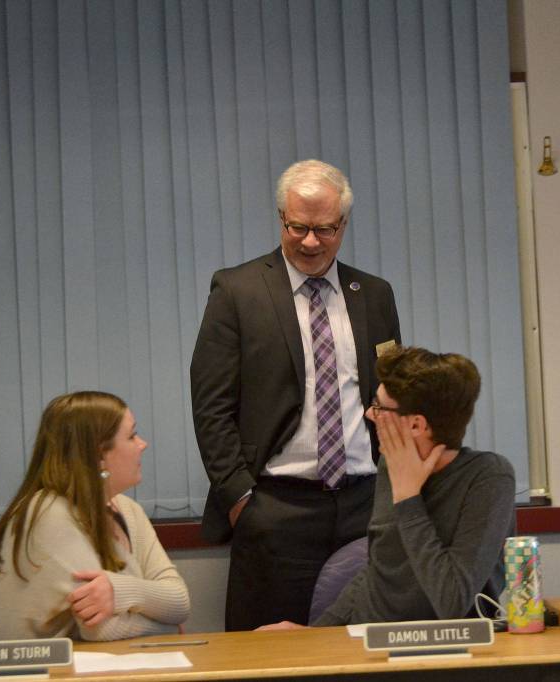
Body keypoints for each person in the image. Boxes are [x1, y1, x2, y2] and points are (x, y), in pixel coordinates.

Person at [190, 159, 402, 631]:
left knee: (365, 651)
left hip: (363, 507)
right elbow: (211, 406)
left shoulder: (374, 294)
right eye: (298, 227)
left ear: (343, 225)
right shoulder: (237, 290)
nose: (310, 241)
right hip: (275, 510)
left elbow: (393, 394)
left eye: (324, 229)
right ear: (280, 218)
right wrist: (242, 498)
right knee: (269, 660)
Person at [259, 346, 516, 629]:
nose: (370, 413)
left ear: (417, 425)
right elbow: (379, 570)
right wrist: (315, 635)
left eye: (380, 406)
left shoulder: (489, 477)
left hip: (445, 652)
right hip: (368, 642)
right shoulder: (389, 464)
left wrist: (409, 498)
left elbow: (452, 600)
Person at [0, 391, 190, 640]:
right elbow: (100, 629)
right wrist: (166, 628)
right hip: (47, 675)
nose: (142, 444)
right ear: (100, 455)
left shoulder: (127, 510)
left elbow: (179, 601)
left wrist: (118, 589)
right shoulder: (48, 514)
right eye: (132, 436)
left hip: (108, 667)